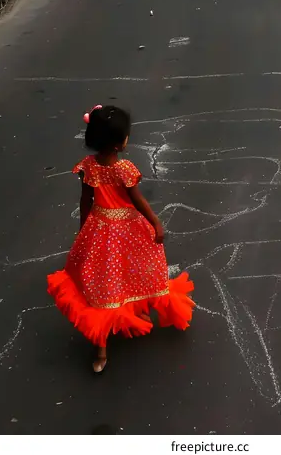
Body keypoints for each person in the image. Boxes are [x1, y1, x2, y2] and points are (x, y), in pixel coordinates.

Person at [47, 105, 195, 374]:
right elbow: (137, 200)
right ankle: (125, 322)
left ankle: (102, 348)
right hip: (127, 228)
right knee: (136, 270)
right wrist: (156, 222)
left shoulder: (87, 167)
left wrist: (83, 229)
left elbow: (85, 200)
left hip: (99, 228)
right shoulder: (125, 169)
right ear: (118, 144)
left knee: (104, 283)